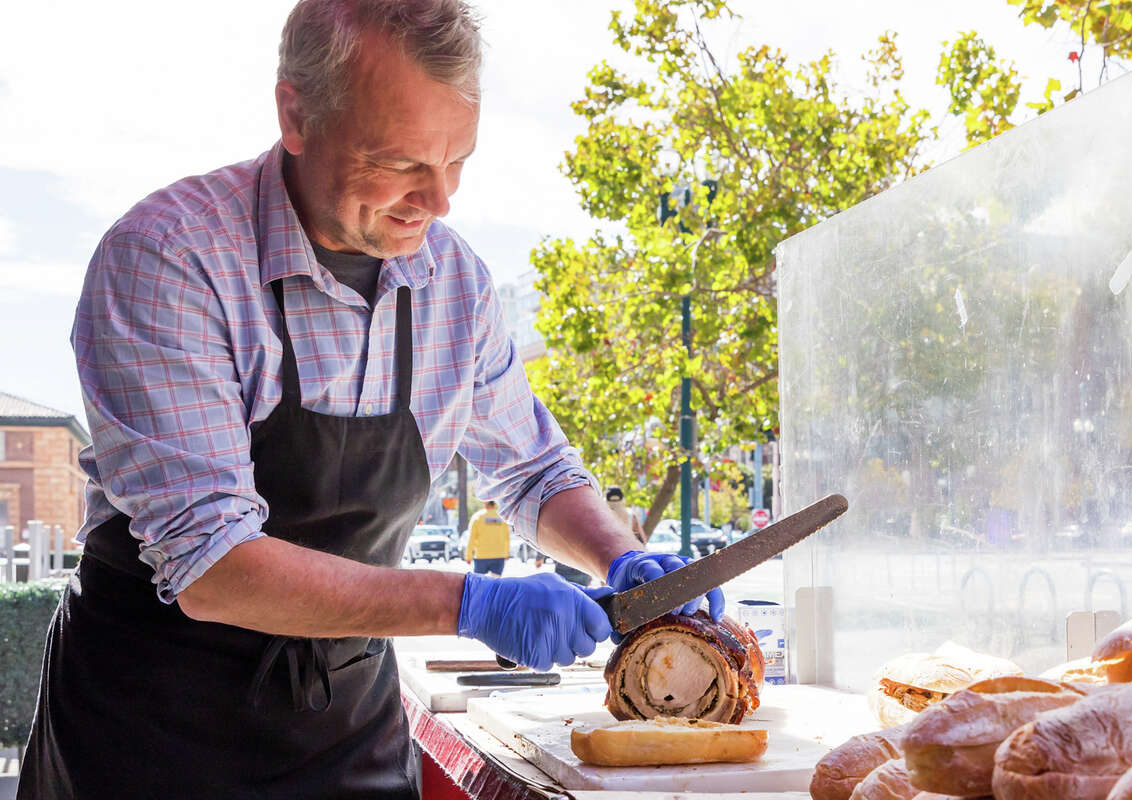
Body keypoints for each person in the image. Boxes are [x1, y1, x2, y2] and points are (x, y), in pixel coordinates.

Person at [17, 2, 724, 797]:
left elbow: (531, 470)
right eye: (399, 163)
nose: (440, 200)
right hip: (152, 732)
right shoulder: (168, 261)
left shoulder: (455, 283)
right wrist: (469, 601)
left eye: (457, 159)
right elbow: (213, 564)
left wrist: (617, 552)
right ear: (296, 114)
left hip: (345, 730)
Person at [464, 500, 510, 576]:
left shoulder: (477, 517)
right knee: (495, 581)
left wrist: (469, 556)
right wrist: (506, 553)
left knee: (480, 581)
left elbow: (472, 538)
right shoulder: (501, 517)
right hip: (499, 555)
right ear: (495, 503)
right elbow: (507, 538)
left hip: (481, 556)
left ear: (485, 503)